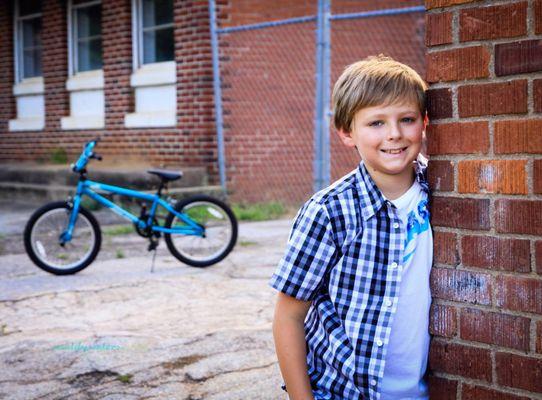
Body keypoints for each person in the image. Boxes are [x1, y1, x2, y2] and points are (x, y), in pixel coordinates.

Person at [270, 55, 432, 400]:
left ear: (424, 122)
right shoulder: (328, 211)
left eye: (407, 119)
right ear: (347, 133)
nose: (394, 134)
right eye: (376, 123)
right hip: (344, 392)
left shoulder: (442, 191)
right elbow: (288, 316)